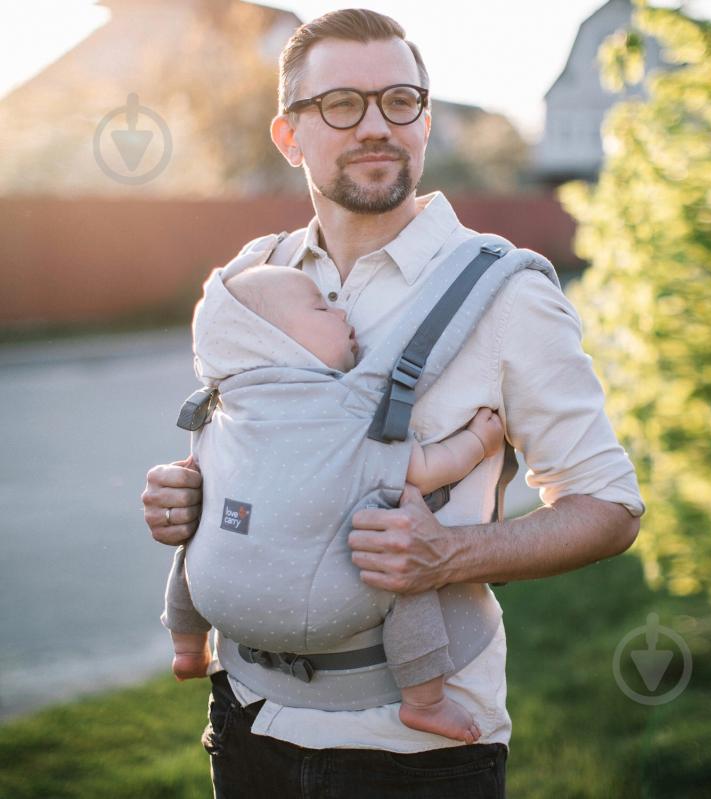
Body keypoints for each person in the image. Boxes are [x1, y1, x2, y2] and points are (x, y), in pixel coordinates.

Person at [142, 9, 645, 797]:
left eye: (399, 101)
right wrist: (191, 494)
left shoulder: (505, 294)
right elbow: (247, 445)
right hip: (244, 718)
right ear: (289, 135)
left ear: (424, 119)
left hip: (413, 755)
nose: (376, 125)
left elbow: (609, 506)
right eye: (342, 104)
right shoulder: (252, 280)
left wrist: (449, 554)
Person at [163, 263, 505, 745]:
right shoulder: (342, 407)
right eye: (321, 306)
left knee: (197, 542)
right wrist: (480, 440)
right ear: (273, 340)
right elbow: (426, 468)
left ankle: (185, 647)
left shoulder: (223, 413)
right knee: (406, 575)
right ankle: (425, 702)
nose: (341, 310)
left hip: (218, 600)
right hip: (335, 611)